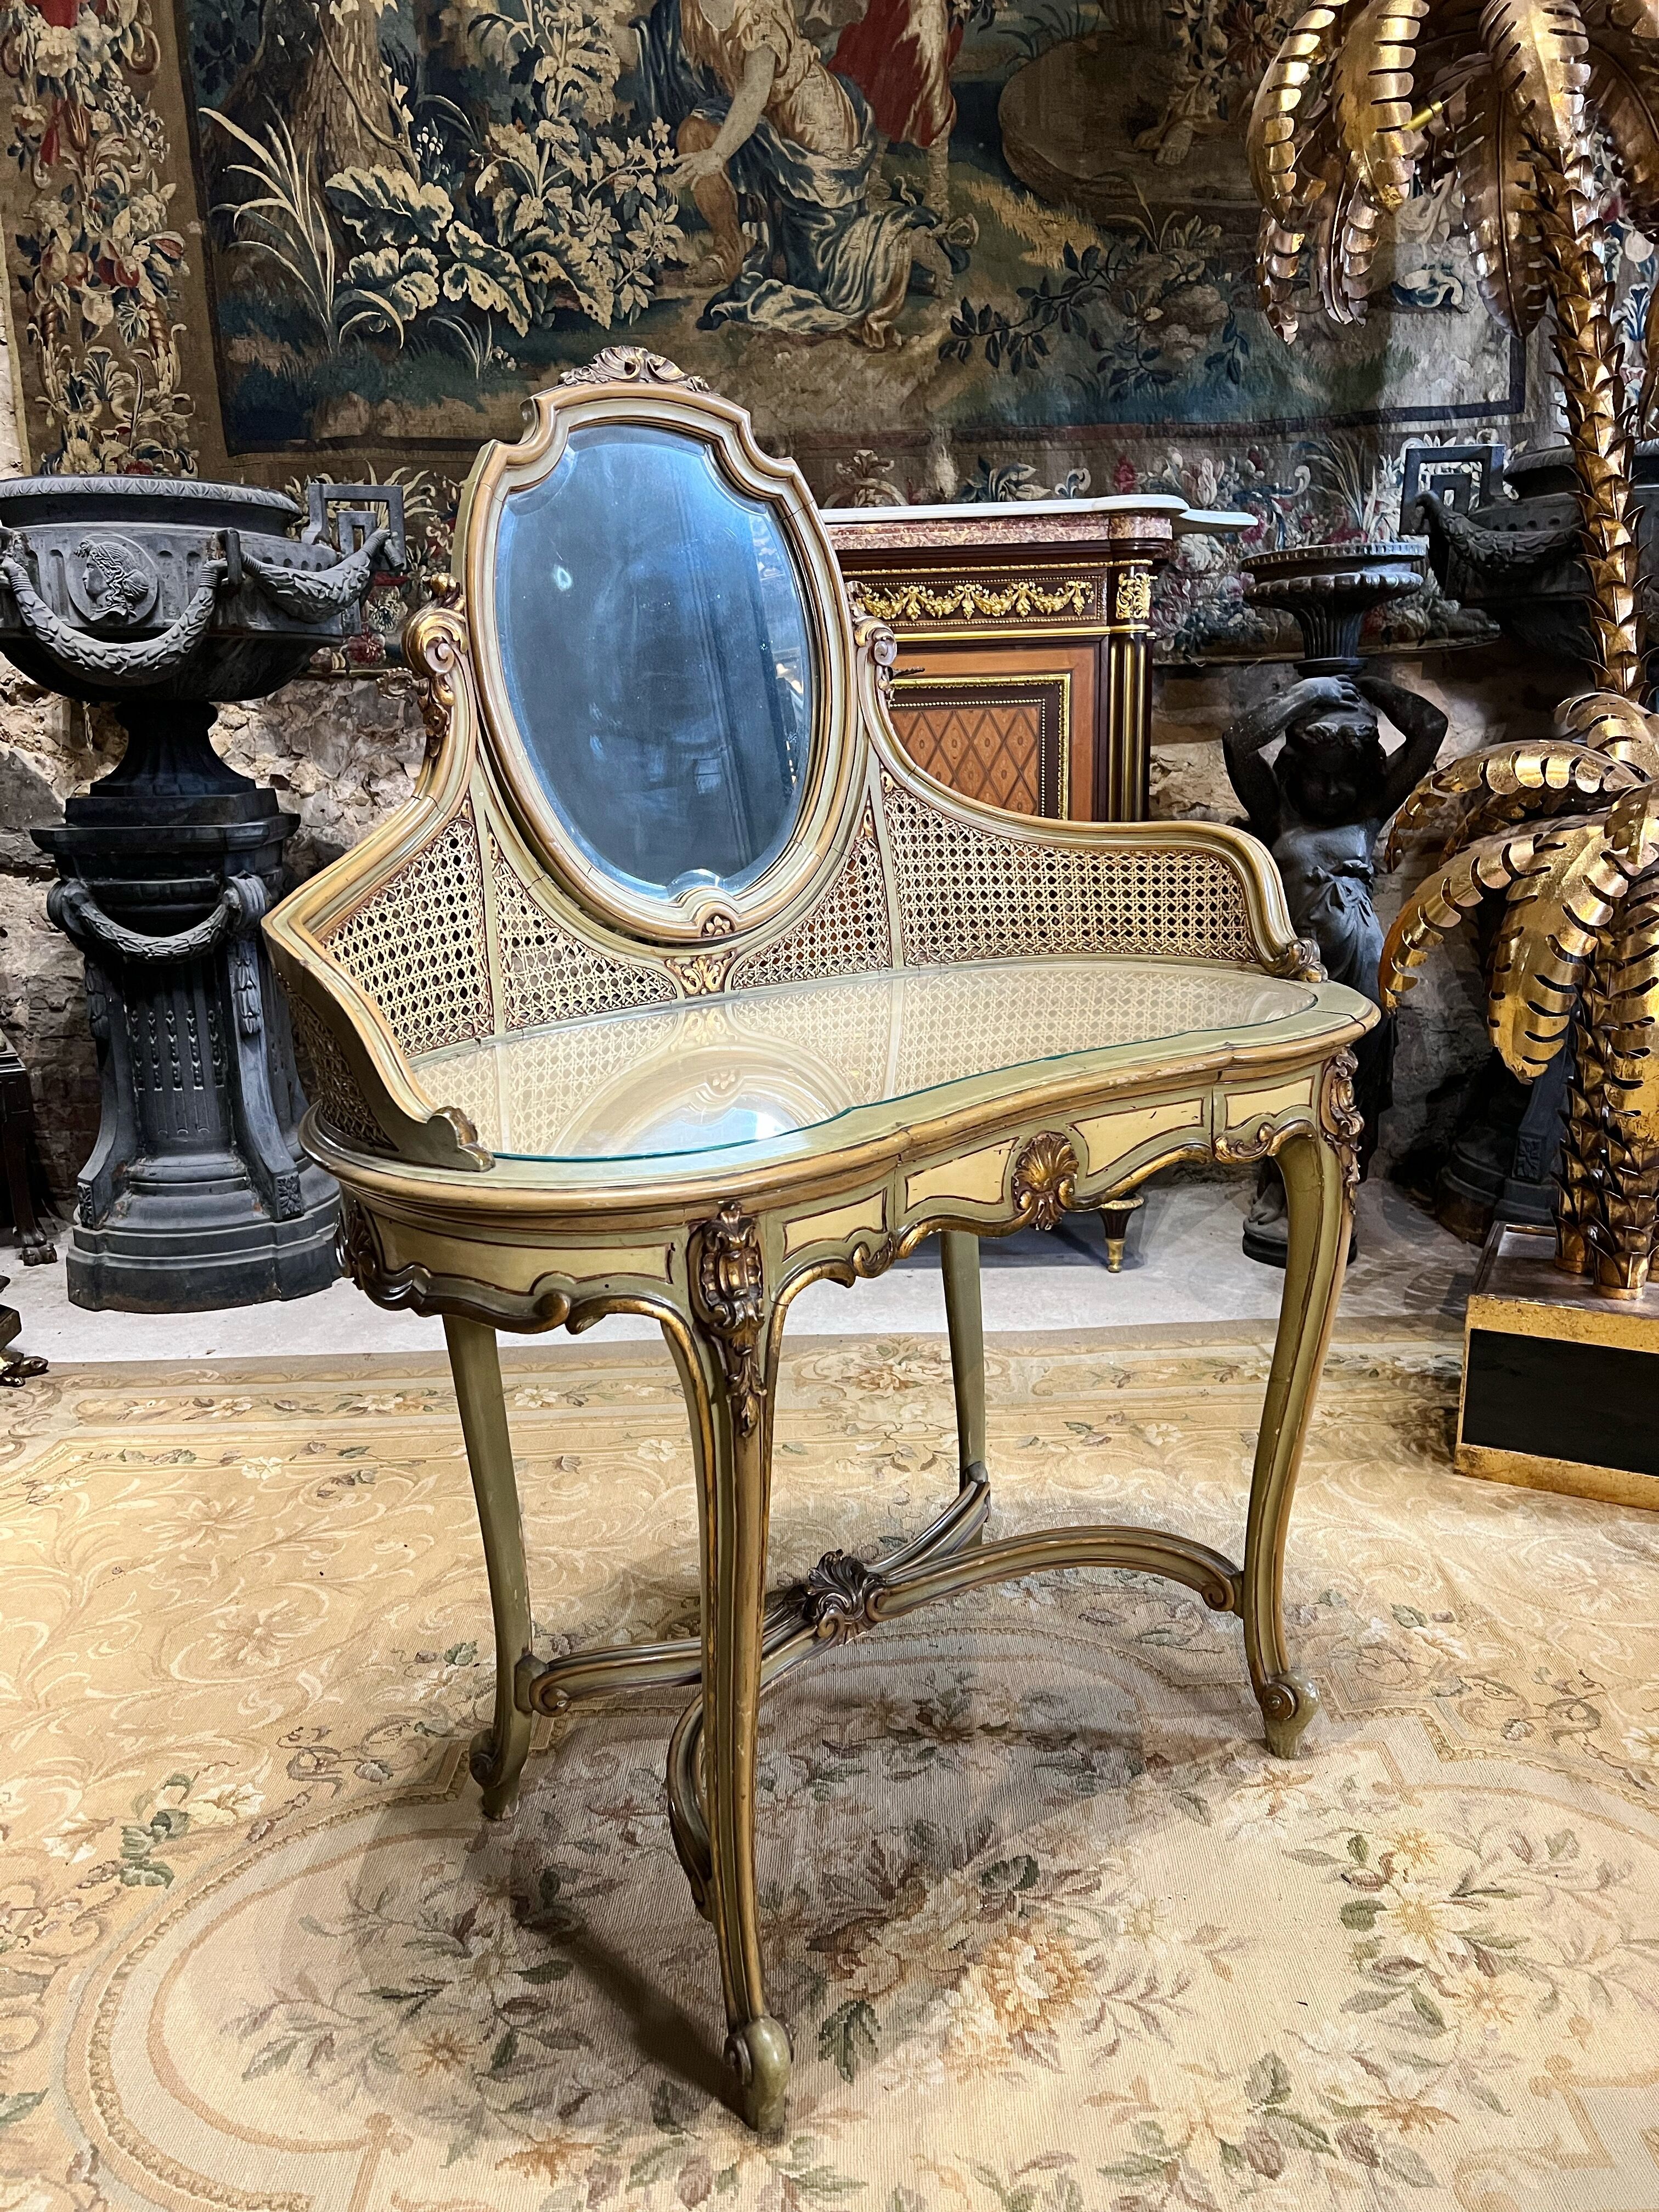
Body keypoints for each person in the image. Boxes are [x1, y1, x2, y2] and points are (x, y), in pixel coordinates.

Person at [1223, 670, 1448, 1261]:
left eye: (1343, 777)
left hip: (1362, 969)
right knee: (1290, 1084)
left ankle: (1334, 1196)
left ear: (1363, 776)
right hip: (1295, 974)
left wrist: (1371, 685)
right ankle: (1280, 1193)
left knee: (1350, 1091)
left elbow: (1430, 727)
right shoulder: (1279, 815)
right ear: (1294, 771)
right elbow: (1238, 742)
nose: (1328, 791)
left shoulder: (1368, 811)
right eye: (1317, 776)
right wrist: (1312, 692)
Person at [656, 0, 920, 347]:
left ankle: (901, 246)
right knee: (695, 131)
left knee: (824, 286)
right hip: (765, 126)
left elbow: (754, 92)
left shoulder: (759, 12)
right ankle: (729, 249)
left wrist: (718, 155)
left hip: (813, 134)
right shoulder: (691, 6)